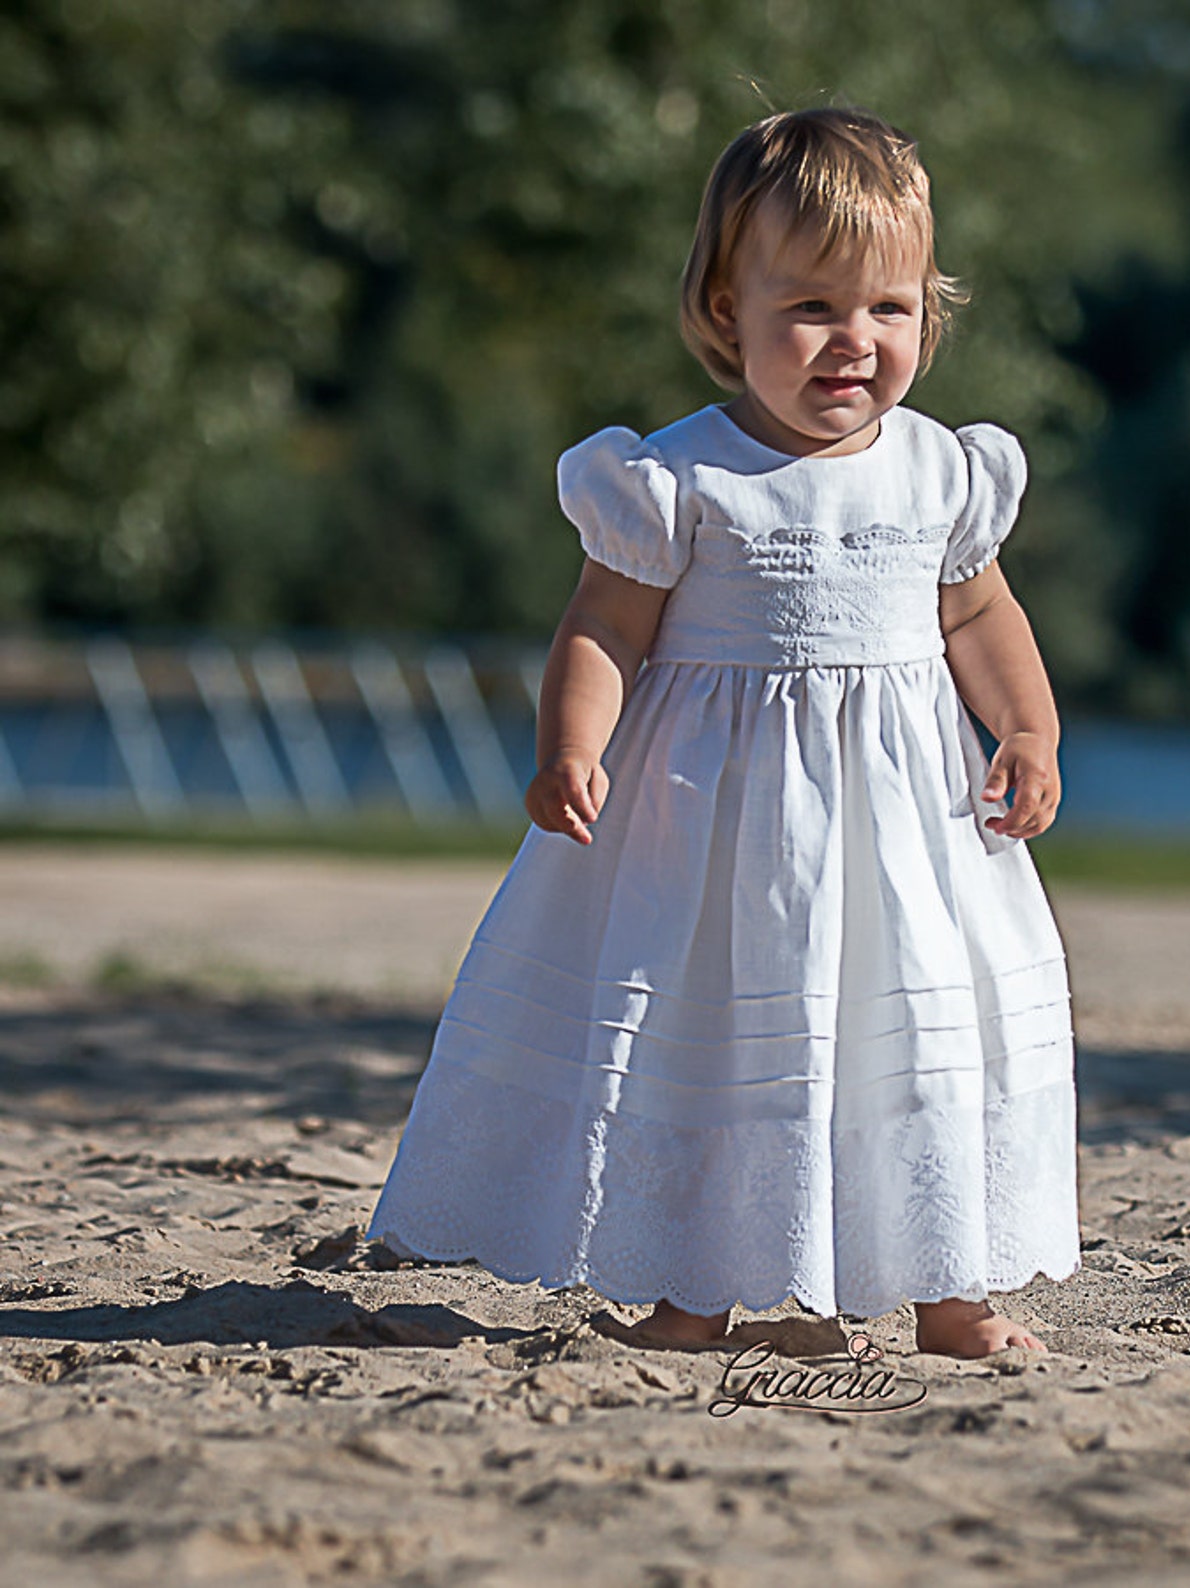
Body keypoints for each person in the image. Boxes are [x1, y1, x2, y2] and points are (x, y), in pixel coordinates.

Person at [365, 105, 1079, 1359]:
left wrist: (1026, 730)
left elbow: (977, 615)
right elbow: (606, 627)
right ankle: (694, 1286)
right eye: (810, 307)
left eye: (890, 307)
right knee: (710, 1035)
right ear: (723, 308)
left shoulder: (942, 474)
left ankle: (950, 1290)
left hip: (905, 840)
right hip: (716, 839)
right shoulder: (679, 479)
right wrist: (572, 746)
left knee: (917, 1045)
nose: (854, 340)